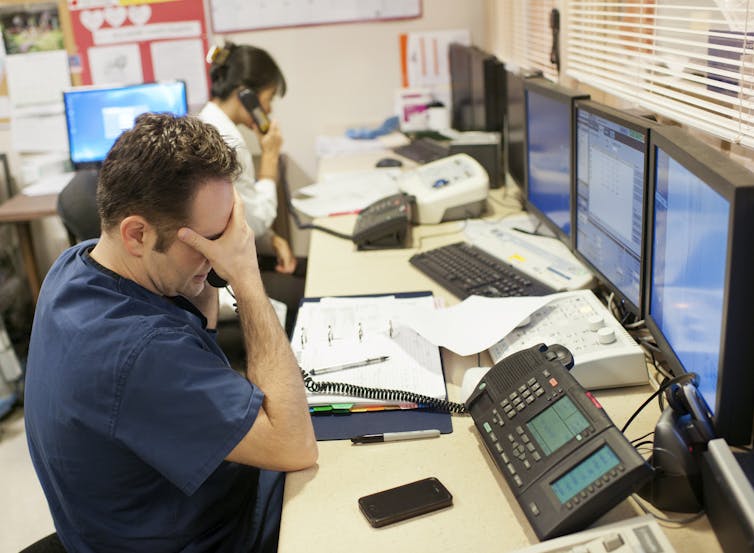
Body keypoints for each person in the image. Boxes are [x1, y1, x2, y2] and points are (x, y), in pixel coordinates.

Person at [24, 113, 318, 552]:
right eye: (206, 240)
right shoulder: (140, 353)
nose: (219, 252)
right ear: (137, 234)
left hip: (138, 519)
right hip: (214, 536)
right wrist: (245, 278)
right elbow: (295, 446)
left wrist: (205, 266)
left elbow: (199, 336)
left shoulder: (77, 264)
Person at [199, 42, 305, 334]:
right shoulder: (225, 140)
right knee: (307, 289)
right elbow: (253, 222)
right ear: (246, 94)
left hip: (218, 265)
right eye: (268, 98)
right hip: (215, 281)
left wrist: (271, 236)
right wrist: (270, 157)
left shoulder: (209, 123)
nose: (268, 110)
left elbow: (233, 211)